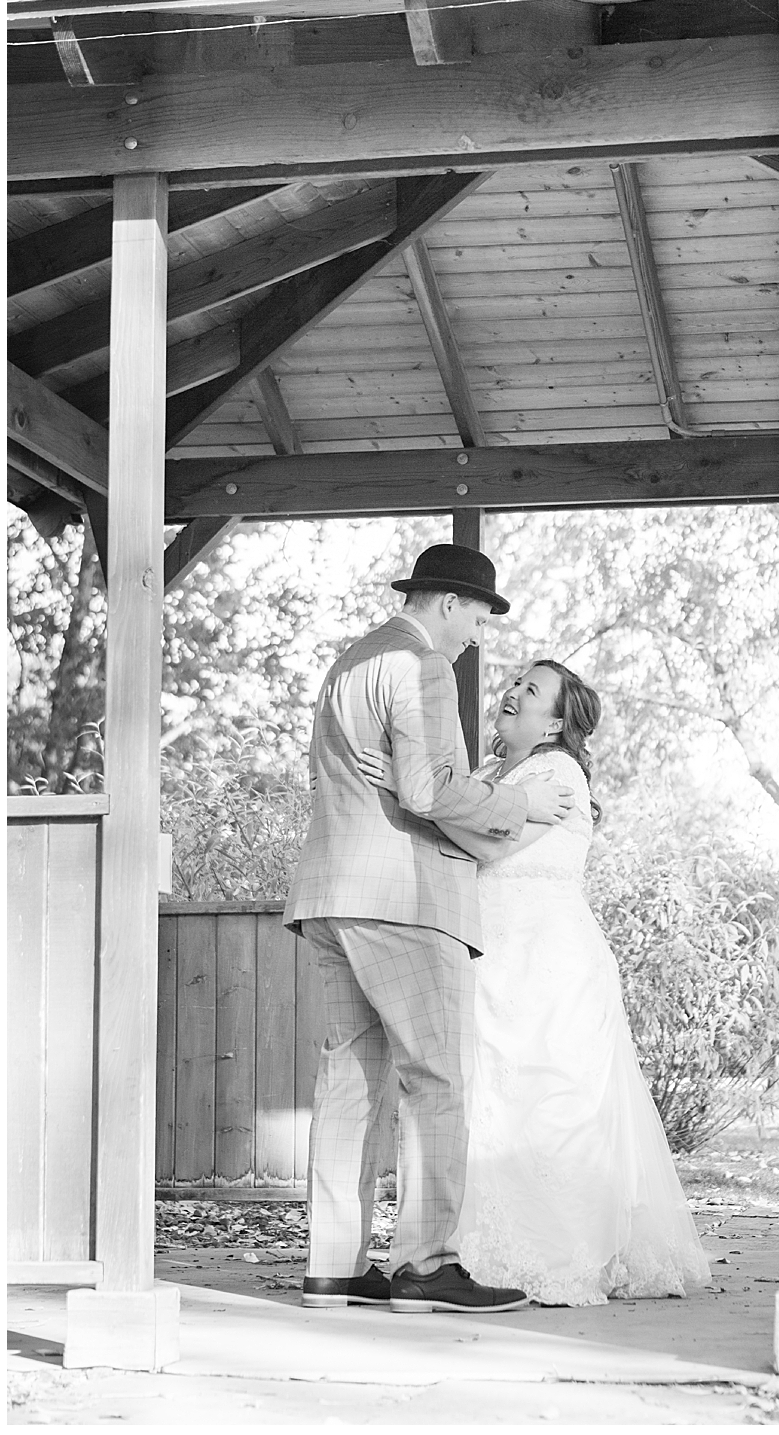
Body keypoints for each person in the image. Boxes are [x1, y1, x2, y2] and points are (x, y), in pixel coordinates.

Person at [284, 543, 574, 1313]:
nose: (478, 635)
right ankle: (425, 1265)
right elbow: (425, 789)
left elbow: (382, 778)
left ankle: (334, 1268)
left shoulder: (350, 661)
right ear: (449, 603)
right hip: (402, 897)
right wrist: (519, 806)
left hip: (329, 896)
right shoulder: (422, 665)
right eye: (479, 616)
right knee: (436, 1078)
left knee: (350, 1081)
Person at [430, 660, 712, 1305]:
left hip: (547, 958)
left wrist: (421, 796)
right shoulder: (490, 776)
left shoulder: (555, 773)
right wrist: (448, 797)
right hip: (495, 953)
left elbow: (491, 849)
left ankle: (564, 1253)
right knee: (497, 1099)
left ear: (556, 721)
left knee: (551, 1100)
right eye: (516, 683)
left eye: (531, 691)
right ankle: (478, 1250)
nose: (513, 692)